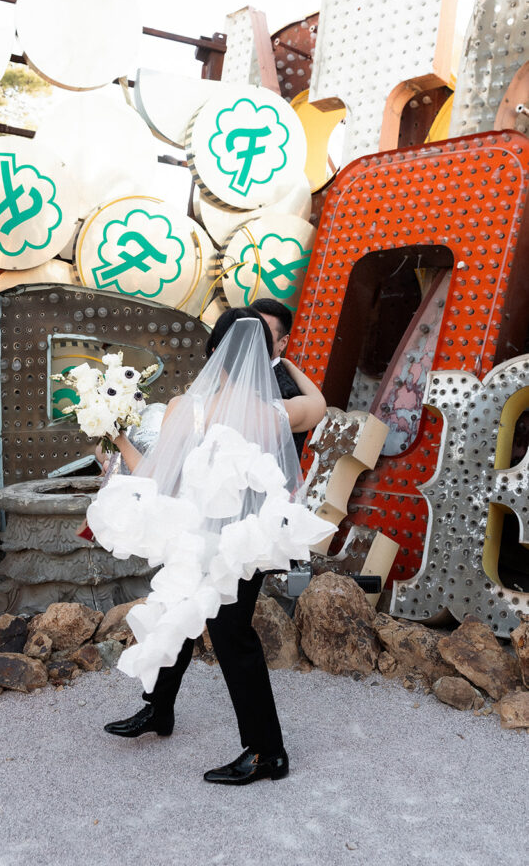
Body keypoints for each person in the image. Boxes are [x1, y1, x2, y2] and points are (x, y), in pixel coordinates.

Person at [87, 308, 334, 786]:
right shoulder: (275, 412)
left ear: (214, 352)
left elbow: (156, 477)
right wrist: (279, 360)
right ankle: (159, 711)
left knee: (232, 640)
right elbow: (319, 404)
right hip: (247, 543)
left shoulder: (187, 408)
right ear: (264, 355)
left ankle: (268, 753)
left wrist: (116, 438)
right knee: (181, 619)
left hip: (210, 541)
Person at [249, 297, 326, 459]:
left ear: (283, 343)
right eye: (249, 330)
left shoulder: (287, 392)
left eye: (263, 333)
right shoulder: (228, 380)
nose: (253, 339)